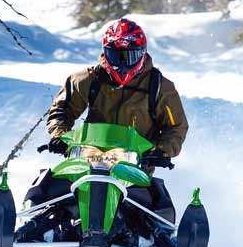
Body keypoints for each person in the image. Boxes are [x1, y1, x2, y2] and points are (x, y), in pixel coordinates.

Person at [46, 17, 188, 169]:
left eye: (129, 57)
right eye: (115, 56)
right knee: (48, 184)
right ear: (105, 53)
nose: (121, 65)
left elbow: (176, 127)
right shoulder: (89, 79)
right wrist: (60, 136)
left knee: (156, 193)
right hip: (88, 161)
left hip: (135, 167)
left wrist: (161, 151)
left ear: (142, 54)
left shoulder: (159, 87)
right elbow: (61, 110)